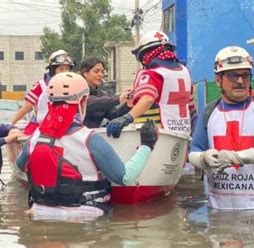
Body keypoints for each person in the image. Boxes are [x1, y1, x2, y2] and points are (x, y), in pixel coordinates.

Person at [16, 72, 158, 219]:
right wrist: (147, 145)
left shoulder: (35, 138)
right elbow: (125, 178)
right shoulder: (89, 139)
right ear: (83, 101)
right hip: (86, 217)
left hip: (39, 213)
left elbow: (20, 166)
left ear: (50, 102)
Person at [188, 46, 254, 209]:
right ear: (218, 79)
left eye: (245, 75)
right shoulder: (208, 112)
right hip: (219, 210)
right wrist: (203, 158)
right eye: (233, 75)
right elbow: (193, 151)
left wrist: (240, 157)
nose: (240, 81)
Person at [106, 30, 194, 138]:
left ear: (144, 54)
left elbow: (147, 98)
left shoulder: (150, 74)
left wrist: (127, 118)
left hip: (157, 136)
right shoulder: (185, 72)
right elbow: (191, 108)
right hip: (182, 135)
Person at [11, 49, 75, 134]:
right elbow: (26, 107)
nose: (64, 72)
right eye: (61, 69)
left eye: (67, 69)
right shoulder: (41, 86)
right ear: (53, 70)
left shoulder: (75, 87)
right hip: (39, 128)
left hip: (65, 128)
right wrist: (10, 124)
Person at [79, 57, 131, 128]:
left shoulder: (102, 94)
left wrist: (128, 105)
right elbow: (89, 102)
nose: (101, 75)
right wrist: (118, 99)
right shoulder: (77, 91)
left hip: (94, 135)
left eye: (102, 72)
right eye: (96, 71)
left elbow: (112, 115)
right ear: (85, 73)